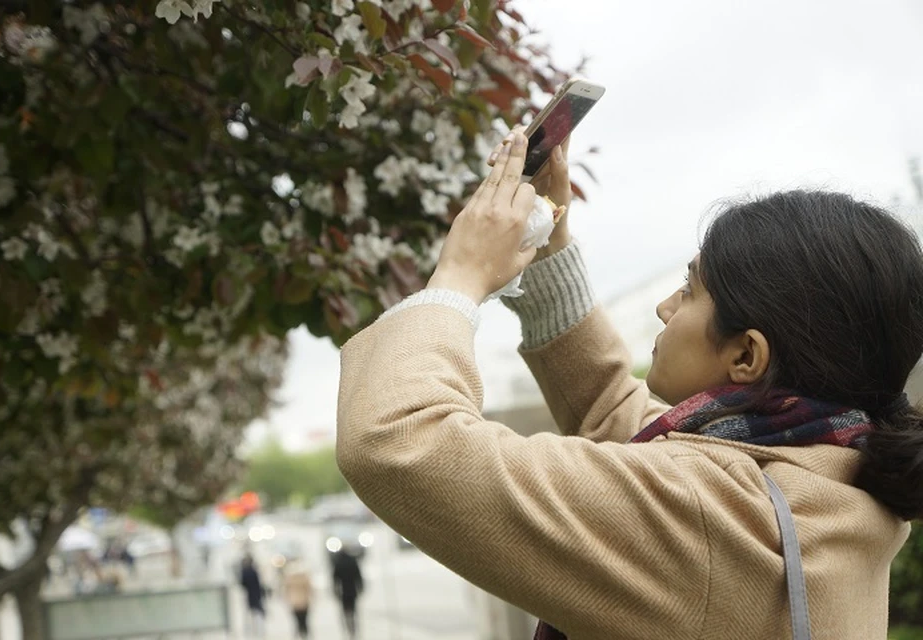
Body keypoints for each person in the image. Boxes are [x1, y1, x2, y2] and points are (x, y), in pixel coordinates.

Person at [334, 129, 923, 639]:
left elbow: (403, 442)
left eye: (691, 290)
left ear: (747, 355)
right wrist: (546, 248)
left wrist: (459, 277)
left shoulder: (715, 519)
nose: (668, 307)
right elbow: (614, 412)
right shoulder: (827, 475)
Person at [331, 547, 364, 638]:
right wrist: (360, 587)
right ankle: (353, 628)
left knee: (346, 611)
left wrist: (335, 591)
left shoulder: (338, 563)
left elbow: (335, 579)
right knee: (353, 610)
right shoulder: (352, 561)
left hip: (343, 591)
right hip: (352, 590)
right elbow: (358, 576)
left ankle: (349, 628)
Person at [282, 558, 313, 639]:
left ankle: (300, 634)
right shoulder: (304, 576)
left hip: (294, 601)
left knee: (297, 620)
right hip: (304, 601)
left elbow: (286, 590)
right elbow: (309, 588)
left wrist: (287, 599)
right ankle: (304, 634)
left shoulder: (289, 577)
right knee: (304, 620)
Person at [239, 553, 266, 637]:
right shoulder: (253, 571)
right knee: (257, 613)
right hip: (255, 594)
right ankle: (258, 630)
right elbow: (258, 583)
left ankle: (252, 630)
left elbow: (242, 583)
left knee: (251, 613)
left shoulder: (244, 571)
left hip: (249, 594)